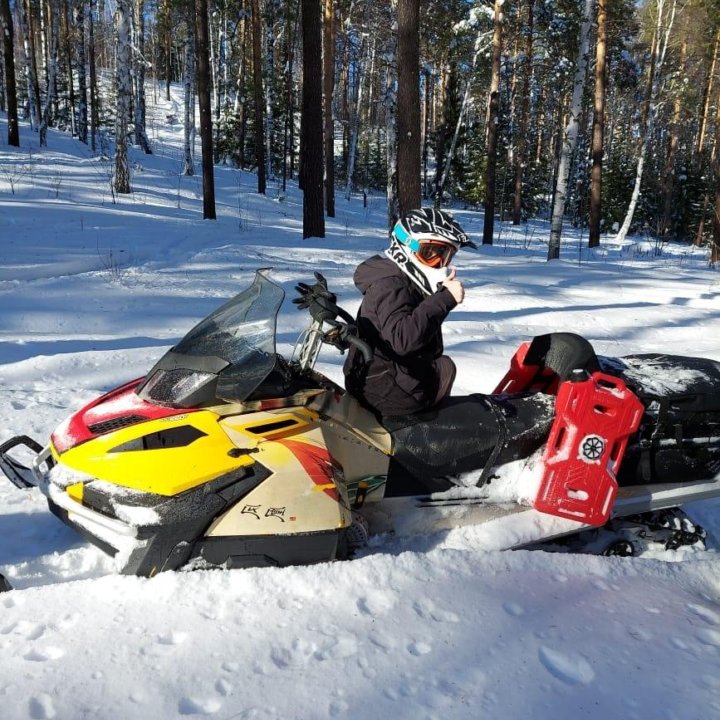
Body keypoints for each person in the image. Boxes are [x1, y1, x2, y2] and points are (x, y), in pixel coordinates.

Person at [343, 208, 476, 418]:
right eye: (430, 253)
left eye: (446, 256)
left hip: (373, 377)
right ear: (407, 246)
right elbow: (403, 339)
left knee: (442, 365)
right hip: (388, 393)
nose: (440, 263)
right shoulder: (391, 285)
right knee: (445, 367)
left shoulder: (391, 276)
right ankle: (428, 427)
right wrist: (445, 298)